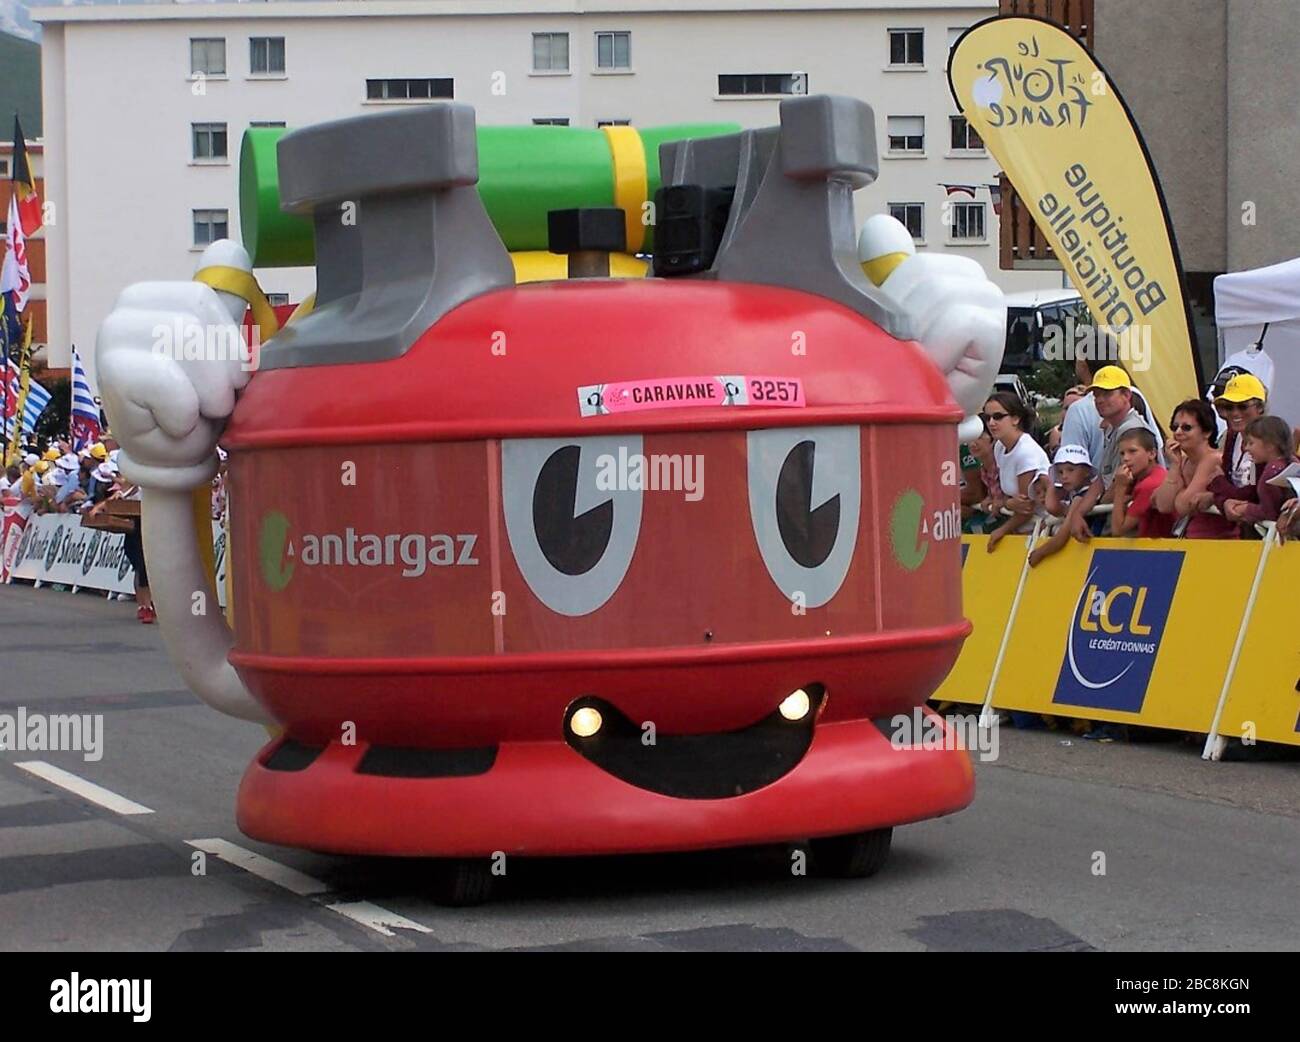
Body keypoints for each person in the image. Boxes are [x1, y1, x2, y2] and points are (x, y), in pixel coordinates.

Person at [1153, 399, 1238, 538]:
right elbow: (1164, 505)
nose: (1178, 432)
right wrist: (1174, 466)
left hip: (1220, 542)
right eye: (1175, 427)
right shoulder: (1182, 461)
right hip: (1193, 539)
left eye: (1186, 427)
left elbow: (1182, 505)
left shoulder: (1214, 459)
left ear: (1207, 432)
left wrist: (1177, 492)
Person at [982, 391, 1050, 552]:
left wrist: (1001, 530)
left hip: (1042, 529)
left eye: (998, 416)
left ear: (1015, 419)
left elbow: (1026, 508)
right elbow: (1013, 497)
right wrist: (998, 499)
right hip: (1022, 529)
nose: (991, 423)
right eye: (987, 417)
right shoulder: (999, 446)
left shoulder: (1025, 452)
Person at [1217, 416, 1297, 533]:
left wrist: (1244, 508)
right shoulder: (1290, 461)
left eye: (1251, 443)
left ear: (1270, 445)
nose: (1246, 448)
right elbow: (1250, 490)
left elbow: (1270, 511)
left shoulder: (1271, 471)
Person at [1028, 444, 1101, 567]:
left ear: (1087, 472)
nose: (1064, 476)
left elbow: (1062, 536)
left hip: (1091, 549)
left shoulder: (1081, 497)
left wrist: (1040, 552)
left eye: (1071, 470)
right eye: (1060, 472)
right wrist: (1051, 484)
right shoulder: (1074, 494)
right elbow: (1053, 508)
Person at [1207, 372, 1267, 502]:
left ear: (1260, 408)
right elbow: (1223, 486)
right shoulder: (1232, 436)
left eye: (1242, 406)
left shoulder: (1267, 444)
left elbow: (1250, 495)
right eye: (1229, 407)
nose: (1235, 413)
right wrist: (1223, 501)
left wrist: (1219, 481)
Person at [1109, 428, 1174, 537]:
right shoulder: (1151, 475)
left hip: (1159, 549)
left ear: (1152, 454)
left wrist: (1120, 489)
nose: (1126, 458)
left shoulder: (1149, 485)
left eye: (1132, 451)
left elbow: (1118, 530)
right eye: (1122, 453)